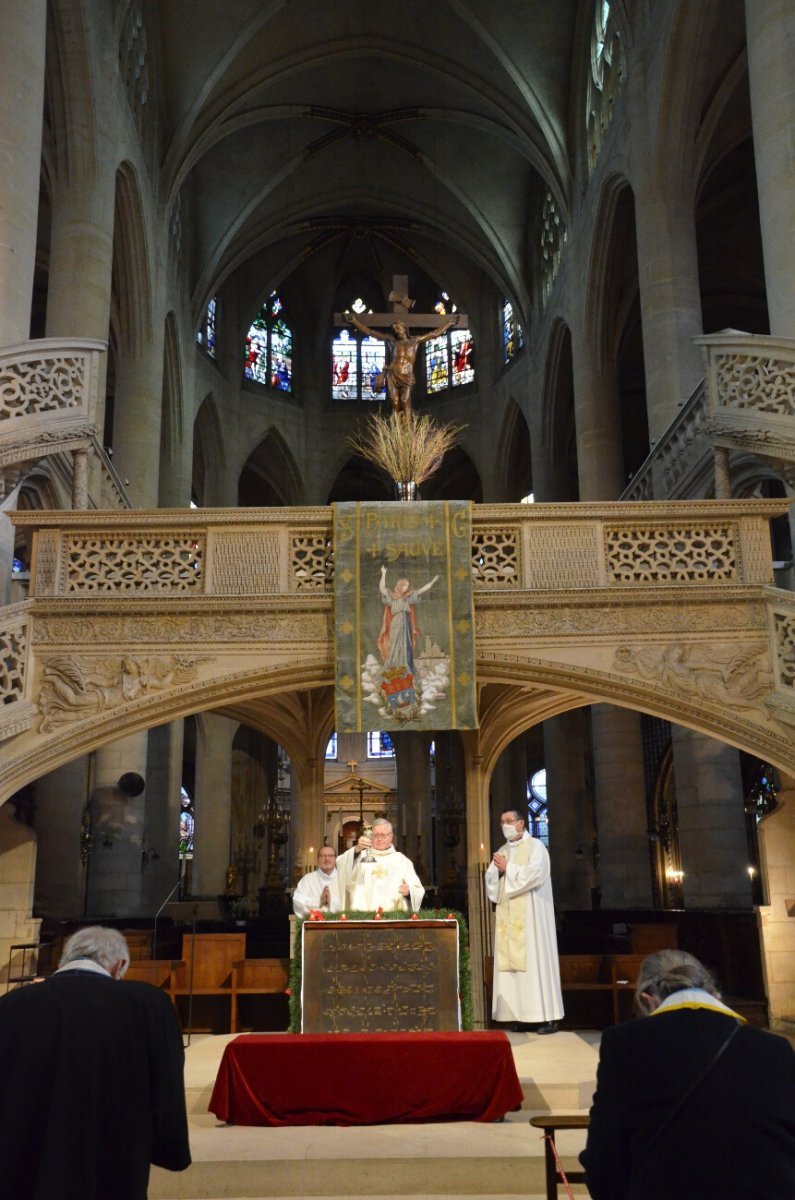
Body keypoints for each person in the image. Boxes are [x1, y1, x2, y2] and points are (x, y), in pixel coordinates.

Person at [580, 949, 795, 1200]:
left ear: (647, 1001)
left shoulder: (625, 1043)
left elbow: (603, 1159)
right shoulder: (774, 1049)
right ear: (715, 996)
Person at [0, 926, 191, 1200]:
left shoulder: (9, 1007)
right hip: (111, 1171)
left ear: (62, 962)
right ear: (119, 965)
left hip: (23, 1173)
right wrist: (170, 1148)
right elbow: (166, 1086)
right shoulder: (148, 1005)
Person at [485, 808, 563, 1034]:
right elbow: (490, 879)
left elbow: (536, 874)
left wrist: (507, 869)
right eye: (502, 822)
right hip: (508, 920)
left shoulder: (536, 847)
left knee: (535, 963)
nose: (504, 825)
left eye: (509, 821)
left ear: (521, 824)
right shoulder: (502, 850)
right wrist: (498, 873)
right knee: (513, 970)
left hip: (532, 919)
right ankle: (520, 1016)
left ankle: (547, 1017)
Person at [345, 310, 459, 415]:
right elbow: (371, 332)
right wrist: (355, 322)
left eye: (398, 329)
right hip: (392, 374)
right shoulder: (392, 341)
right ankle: (396, 431)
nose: (396, 331)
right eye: (394, 330)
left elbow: (434, 334)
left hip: (407, 375)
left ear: (405, 329)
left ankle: (407, 432)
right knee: (394, 403)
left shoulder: (415, 341)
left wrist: (449, 323)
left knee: (405, 402)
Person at [335, 817, 424, 912]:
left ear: (391, 837)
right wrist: (357, 848)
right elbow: (340, 863)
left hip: (394, 917)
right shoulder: (362, 856)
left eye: (383, 835)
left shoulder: (401, 860)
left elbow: (418, 889)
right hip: (364, 916)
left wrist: (409, 891)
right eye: (375, 835)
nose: (379, 839)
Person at [378, 564, 439, 678]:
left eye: (407, 586)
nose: (406, 588)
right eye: (404, 586)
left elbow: (422, 590)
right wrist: (384, 574)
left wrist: (432, 582)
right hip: (396, 624)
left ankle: (406, 668)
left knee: (406, 645)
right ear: (400, 586)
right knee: (395, 645)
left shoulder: (408, 597)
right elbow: (382, 589)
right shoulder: (392, 596)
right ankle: (395, 668)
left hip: (406, 624)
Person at [292, 845, 342, 917]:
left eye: (330, 855)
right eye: (323, 856)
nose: (327, 858)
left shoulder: (343, 879)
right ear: (318, 859)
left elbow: (351, 903)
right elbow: (298, 902)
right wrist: (319, 901)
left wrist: (331, 901)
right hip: (314, 925)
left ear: (335, 859)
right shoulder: (307, 880)